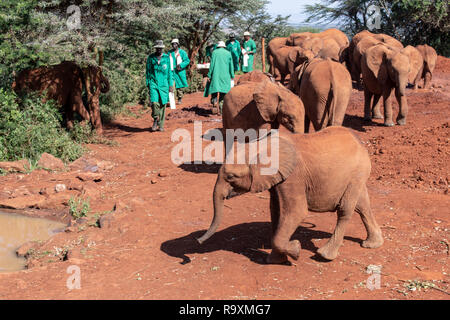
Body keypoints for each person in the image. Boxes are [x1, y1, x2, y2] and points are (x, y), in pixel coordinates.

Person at [145, 40, 173, 132]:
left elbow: (169, 72)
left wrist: (171, 85)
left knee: (162, 104)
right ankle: (155, 118)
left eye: (160, 48)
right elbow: (148, 72)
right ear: (155, 48)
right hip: (153, 83)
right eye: (157, 48)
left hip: (164, 84)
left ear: (162, 49)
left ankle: (161, 125)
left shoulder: (167, 58)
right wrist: (148, 83)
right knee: (154, 102)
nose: (159, 50)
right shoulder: (151, 58)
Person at [203, 41, 234, 115]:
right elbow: (231, 65)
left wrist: (209, 75)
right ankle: (221, 109)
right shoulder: (228, 53)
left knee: (215, 90)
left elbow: (212, 65)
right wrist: (232, 75)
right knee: (223, 93)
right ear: (224, 46)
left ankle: (214, 102)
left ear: (218, 46)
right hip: (225, 76)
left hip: (216, 75)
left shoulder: (214, 52)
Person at [168, 38, 190, 104]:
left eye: (175, 44)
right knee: (171, 85)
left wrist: (181, 65)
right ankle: (171, 101)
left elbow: (187, 61)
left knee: (180, 86)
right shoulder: (169, 53)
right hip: (171, 71)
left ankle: (180, 99)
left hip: (179, 71)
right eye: (173, 44)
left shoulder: (182, 52)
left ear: (178, 44)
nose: (174, 45)